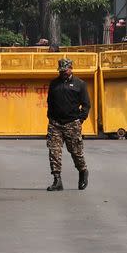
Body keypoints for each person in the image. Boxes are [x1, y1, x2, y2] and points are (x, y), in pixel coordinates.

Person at [45, 58, 90, 191]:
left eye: (65, 71)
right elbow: (50, 102)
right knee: (54, 151)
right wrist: (51, 117)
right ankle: (57, 180)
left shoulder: (80, 84)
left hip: (72, 123)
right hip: (55, 124)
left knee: (76, 152)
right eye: (61, 71)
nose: (63, 73)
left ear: (71, 68)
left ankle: (83, 171)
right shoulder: (54, 84)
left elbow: (86, 104)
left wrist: (80, 119)